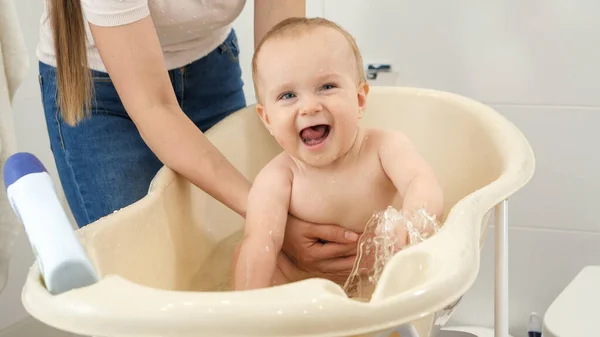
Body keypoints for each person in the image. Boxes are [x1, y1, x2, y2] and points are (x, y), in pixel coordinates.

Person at [37, 1, 360, 281]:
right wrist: (271, 219)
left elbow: (286, 49)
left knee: (233, 243)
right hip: (99, 90)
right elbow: (154, 106)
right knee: (143, 268)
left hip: (211, 66)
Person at [232, 17, 445, 291]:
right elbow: (261, 242)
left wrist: (410, 223)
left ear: (359, 100)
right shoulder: (278, 177)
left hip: (378, 281)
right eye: (287, 95)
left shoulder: (383, 148)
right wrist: (244, 312)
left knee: (414, 270)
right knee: (245, 253)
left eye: (327, 87)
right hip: (304, 288)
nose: (309, 107)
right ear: (267, 120)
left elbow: (422, 182)